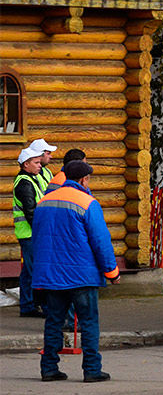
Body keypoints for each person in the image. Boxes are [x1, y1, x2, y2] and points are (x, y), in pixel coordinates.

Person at [31, 159, 120, 382]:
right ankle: (91, 369)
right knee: (89, 323)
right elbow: (100, 241)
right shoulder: (87, 202)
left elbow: (38, 238)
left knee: (53, 321)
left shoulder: (44, 201)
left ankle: (49, 368)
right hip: (81, 275)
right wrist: (112, 272)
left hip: (51, 275)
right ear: (83, 179)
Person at [12, 147, 49, 317]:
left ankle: (27, 306)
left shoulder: (30, 179)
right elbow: (31, 213)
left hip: (28, 233)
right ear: (26, 164)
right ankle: (49, 308)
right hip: (31, 234)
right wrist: (44, 232)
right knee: (38, 271)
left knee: (28, 271)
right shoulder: (25, 183)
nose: (39, 164)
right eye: (36, 162)